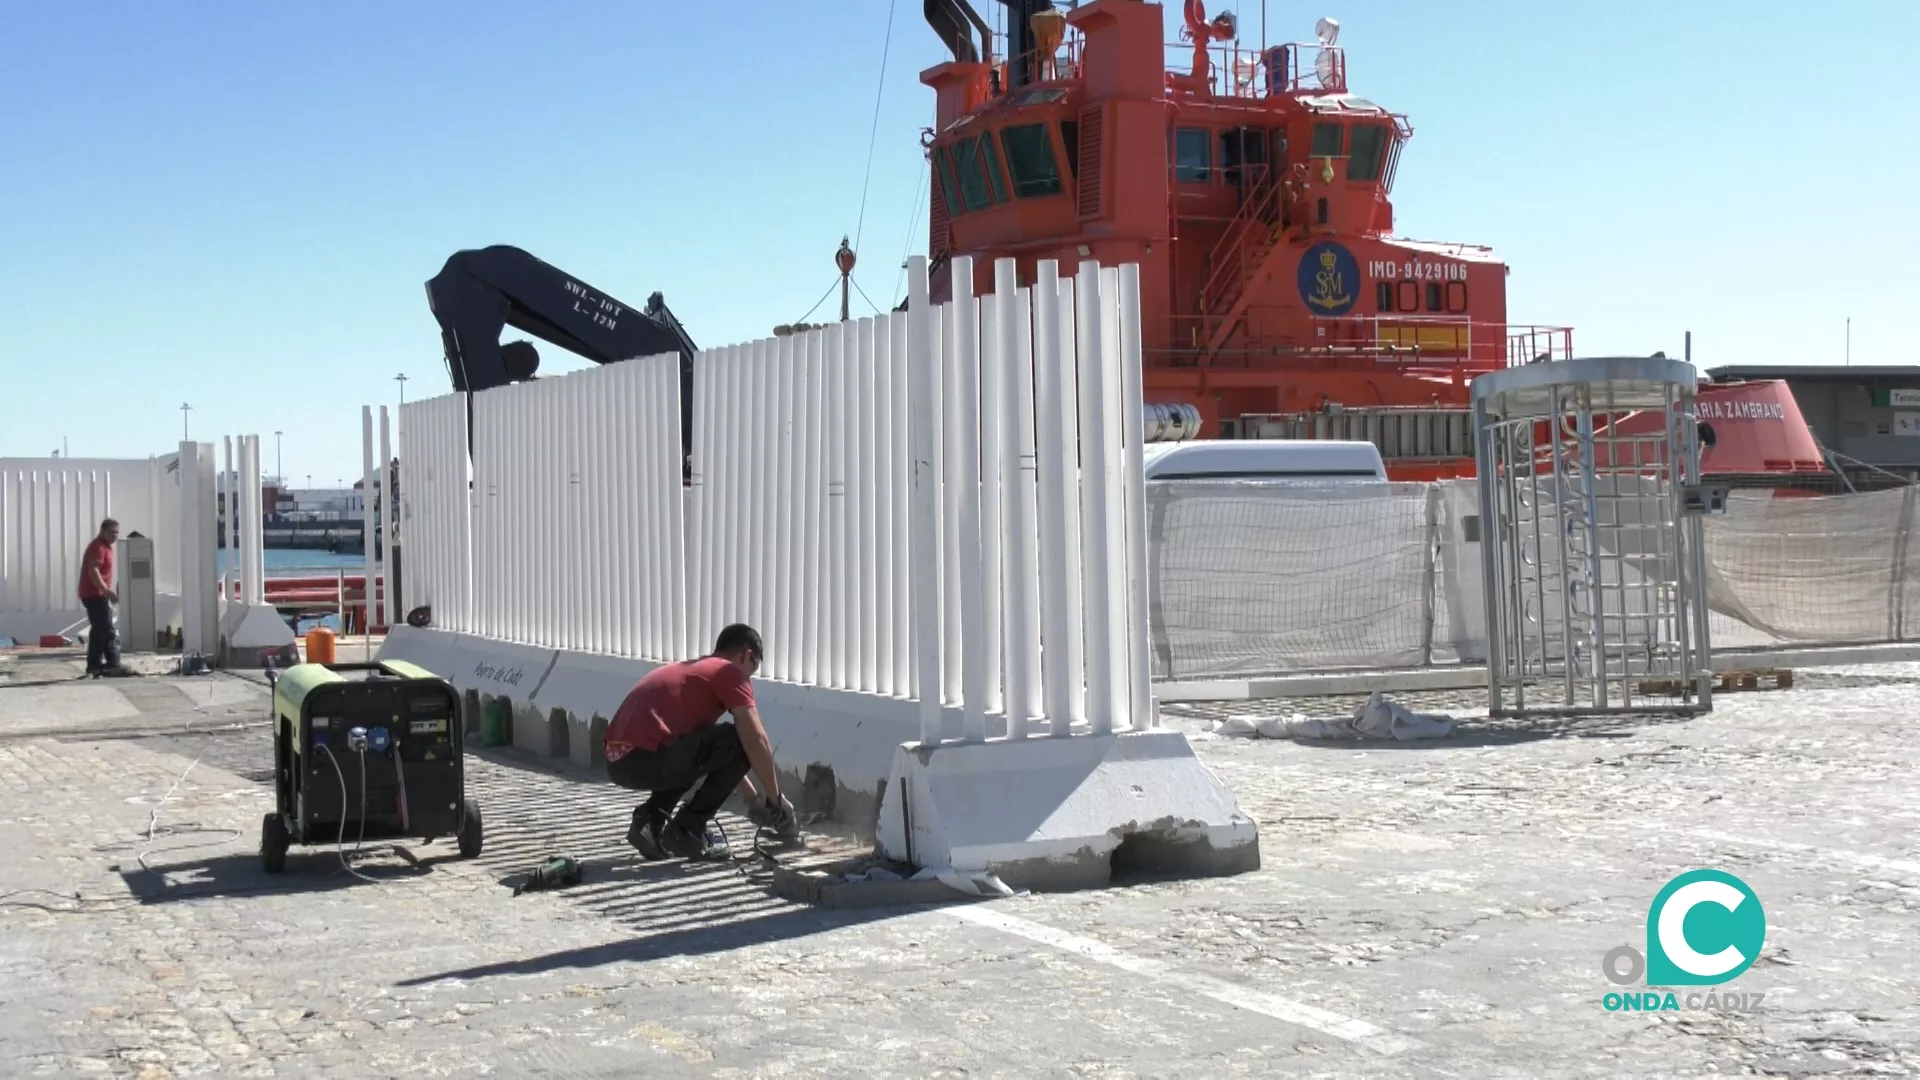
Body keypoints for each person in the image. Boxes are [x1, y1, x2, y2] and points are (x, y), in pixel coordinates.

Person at [603, 623, 796, 860]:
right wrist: (777, 802)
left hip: (620, 762)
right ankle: (687, 830)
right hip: (649, 756)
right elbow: (755, 740)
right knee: (736, 737)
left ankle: (649, 823)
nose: (749, 679)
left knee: (692, 753)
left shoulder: (697, 673)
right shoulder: (728, 672)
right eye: (752, 668)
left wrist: (753, 800)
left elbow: (710, 758)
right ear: (747, 655)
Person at [77, 518, 128, 678]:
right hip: (93, 595)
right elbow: (93, 570)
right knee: (101, 629)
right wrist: (105, 589)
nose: (115, 536)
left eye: (117, 533)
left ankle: (113, 663)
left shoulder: (106, 547)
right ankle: (94, 666)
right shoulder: (98, 547)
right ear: (102, 531)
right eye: (112, 532)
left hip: (99, 594)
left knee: (107, 629)